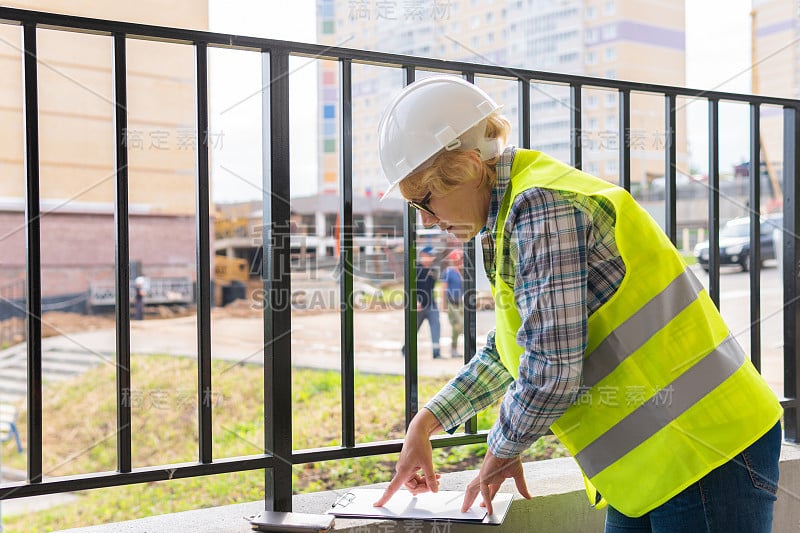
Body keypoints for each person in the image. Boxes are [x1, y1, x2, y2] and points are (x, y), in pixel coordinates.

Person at [373, 76, 782, 532]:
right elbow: (512, 348)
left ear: (468, 167)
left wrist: (501, 449)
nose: (428, 221)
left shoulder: (541, 206)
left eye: (425, 201)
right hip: (660, 462)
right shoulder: (513, 215)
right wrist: (426, 423)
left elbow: (551, 368)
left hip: (707, 451)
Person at [402, 245, 442, 359]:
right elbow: (410, 288)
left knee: (436, 326)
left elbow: (431, 288)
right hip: (418, 305)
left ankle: (436, 352)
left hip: (431, 304)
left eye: (433, 256)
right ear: (423, 256)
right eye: (430, 256)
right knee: (414, 328)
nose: (432, 258)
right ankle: (406, 348)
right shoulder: (415, 269)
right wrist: (415, 301)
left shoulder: (432, 271)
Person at [440, 249, 464, 358]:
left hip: (460, 303)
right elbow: (443, 288)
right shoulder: (448, 272)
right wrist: (443, 305)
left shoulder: (461, 272)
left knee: (462, 325)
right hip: (451, 303)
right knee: (457, 324)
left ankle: (457, 348)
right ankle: (453, 349)